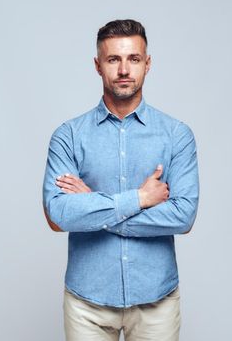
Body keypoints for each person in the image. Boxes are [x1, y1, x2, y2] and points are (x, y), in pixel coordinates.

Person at [42, 19, 199, 341]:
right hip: (87, 302)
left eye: (134, 59)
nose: (124, 69)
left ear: (147, 64)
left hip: (157, 300)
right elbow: (58, 216)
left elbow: (183, 216)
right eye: (113, 59)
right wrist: (139, 199)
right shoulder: (68, 136)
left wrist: (93, 203)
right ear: (98, 66)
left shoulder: (176, 135)